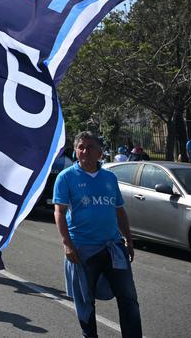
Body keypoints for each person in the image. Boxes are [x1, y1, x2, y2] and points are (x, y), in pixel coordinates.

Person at [53, 131, 141, 338]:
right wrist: (67, 243)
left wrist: (128, 238)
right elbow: (59, 212)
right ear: (75, 151)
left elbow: (119, 211)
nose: (84, 151)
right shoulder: (66, 177)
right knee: (85, 301)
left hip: (113, 247)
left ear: (100, 152)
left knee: (128, 298)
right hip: (82, 249)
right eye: (80, 147)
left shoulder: (109, 177)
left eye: (89, 147)